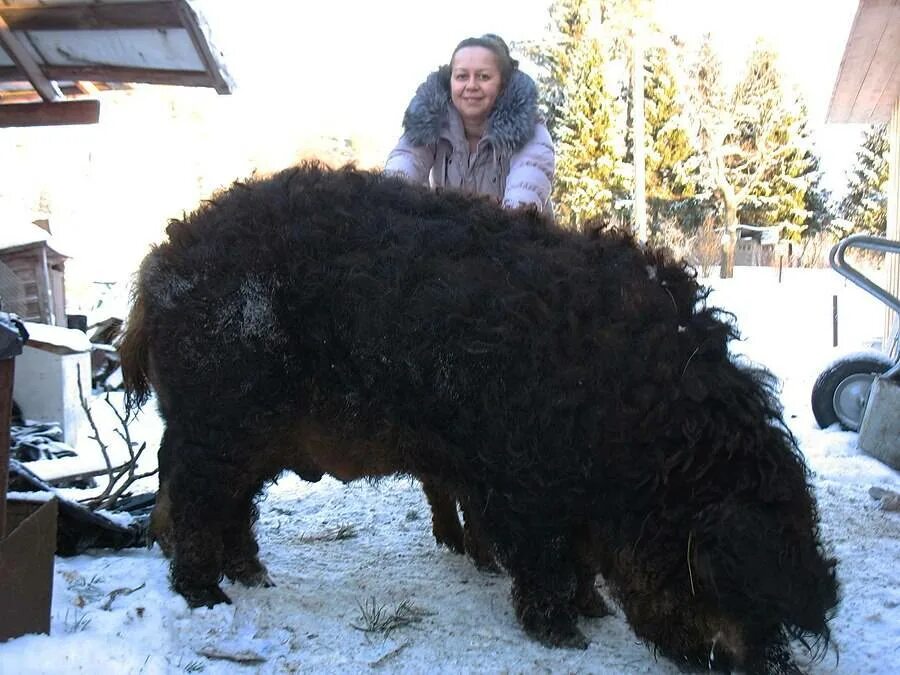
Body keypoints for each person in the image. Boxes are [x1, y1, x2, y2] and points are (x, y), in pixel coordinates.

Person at [384, 34, 554, 214]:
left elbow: (526, 189)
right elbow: (405, 164)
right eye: (462, 76)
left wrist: (511, 219)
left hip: (517, 236)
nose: (471, 85)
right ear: (450, 82)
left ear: (502, 85)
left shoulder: (531, 131)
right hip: (452, 234)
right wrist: (387, 199)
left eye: (483, 76)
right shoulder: (430, 121)